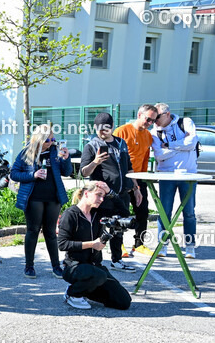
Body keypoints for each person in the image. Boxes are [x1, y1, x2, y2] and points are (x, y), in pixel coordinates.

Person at [57, 181, 133, 310]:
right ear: (86, 194)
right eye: (98, 195)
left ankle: (84, 289)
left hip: (95, 266)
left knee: (123, 301)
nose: (102, 199)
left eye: (103, 196)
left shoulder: (98, 213)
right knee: (99, 275)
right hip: (74, 266)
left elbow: (124, 213)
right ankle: (72, 293)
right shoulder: (70, 214)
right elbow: (62, 244)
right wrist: (92, 244)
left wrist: (110, 192)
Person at [10, 124, 73, 279]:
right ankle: (29, 266)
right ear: (38, 139)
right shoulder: (26, 152)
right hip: (34, 198)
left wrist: (66, 159)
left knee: (50, 232)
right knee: (33, 230)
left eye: (52, 139)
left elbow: (67, 172)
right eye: (47, 140)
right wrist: (33, 175)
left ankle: (56, 266)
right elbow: (14, 174)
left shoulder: (55, 151)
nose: (50, 142)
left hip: (53, 197)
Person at [80, 112, 139, 272]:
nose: (102, 132)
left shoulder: (121, 143)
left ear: (112, 127)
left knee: (118, 228)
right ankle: (93, 262)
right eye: (99, 129)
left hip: (122, 195)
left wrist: (136, 188)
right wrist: (95, 162)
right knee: (99, 229)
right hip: (102, 197)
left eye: (105, 129)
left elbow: (129, 167)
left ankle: (117, 260)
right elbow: (84, 172)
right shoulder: (91, 146)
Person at [152, 103, 200, 258]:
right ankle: (163, 246)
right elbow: (159, 155)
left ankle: (190, 247)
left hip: (188, 175)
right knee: (164, 212)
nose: (155, 121)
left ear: (167, 114)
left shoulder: (185, 122)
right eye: (153, 118)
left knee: (189, 212)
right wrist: (181, 147)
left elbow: (192, 143)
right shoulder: (155, 131)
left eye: (157, 117)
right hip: (166, 175)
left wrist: (169, 145)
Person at [114, 104, 158, 256]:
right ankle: (118, 244)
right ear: (139, 115)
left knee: (142, 211)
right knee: (122, 212)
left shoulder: (148, 136)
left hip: (139, 178)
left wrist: (141, 180)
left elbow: (145, 159)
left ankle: (139, 244)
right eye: (148, 119)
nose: (149, 123)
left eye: (153, 121)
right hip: (123, 178)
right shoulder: (121, 131)